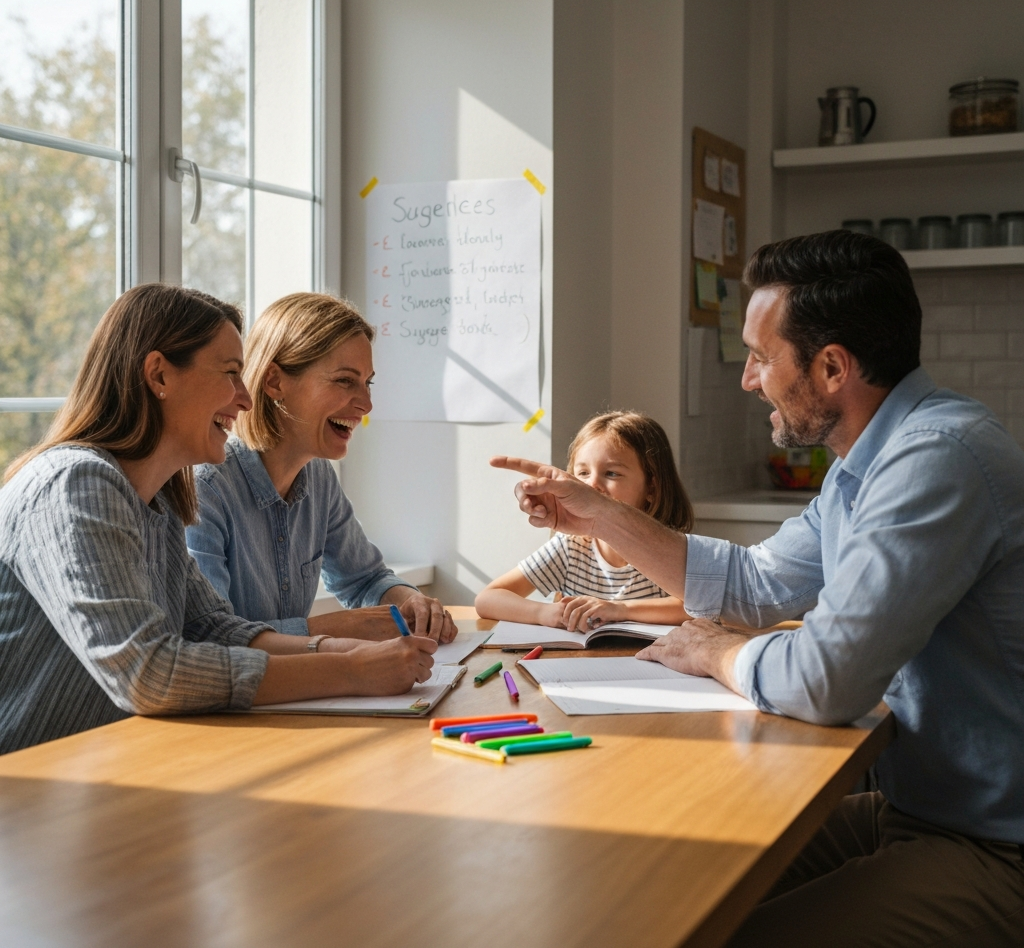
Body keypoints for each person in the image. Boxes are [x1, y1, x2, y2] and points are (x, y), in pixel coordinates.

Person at [493, 230, 1024, 946]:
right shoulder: (864, 466)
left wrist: (717, 654)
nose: (748, 378)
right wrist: (600, 513)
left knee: (724, 931)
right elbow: (754, 580)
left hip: (993, 844)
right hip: (919, 809)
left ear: (832, 367)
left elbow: (826, 679)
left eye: (761, 357)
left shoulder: (937, 461)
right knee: (665, 881)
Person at [0, 285, 436, 756]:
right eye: (231, 373)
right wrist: (351, 670)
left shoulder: (161, 498)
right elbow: (148, 673)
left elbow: (216, 628)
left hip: (103, 771)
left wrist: (344, 651)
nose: (245, 399)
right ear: (159, 375)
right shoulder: (77, 482)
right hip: (26, 794)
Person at [185, 292, 454, 644]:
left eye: (367, 382)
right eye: (345, 380)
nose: (366, 403)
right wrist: (328, 629)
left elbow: (365, 579)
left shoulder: (318, 477)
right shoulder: (206, 488)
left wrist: (412, 602)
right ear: (275, 382)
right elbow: (207, 638)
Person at [475, 411, 691, 631]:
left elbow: (704, 608)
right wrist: (544, 612)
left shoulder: (669, 551)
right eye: (583, 473)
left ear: (652, 488)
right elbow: (487, 599)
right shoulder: (572, 546)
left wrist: (620, 609)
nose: (591, 485)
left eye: (612, 473)